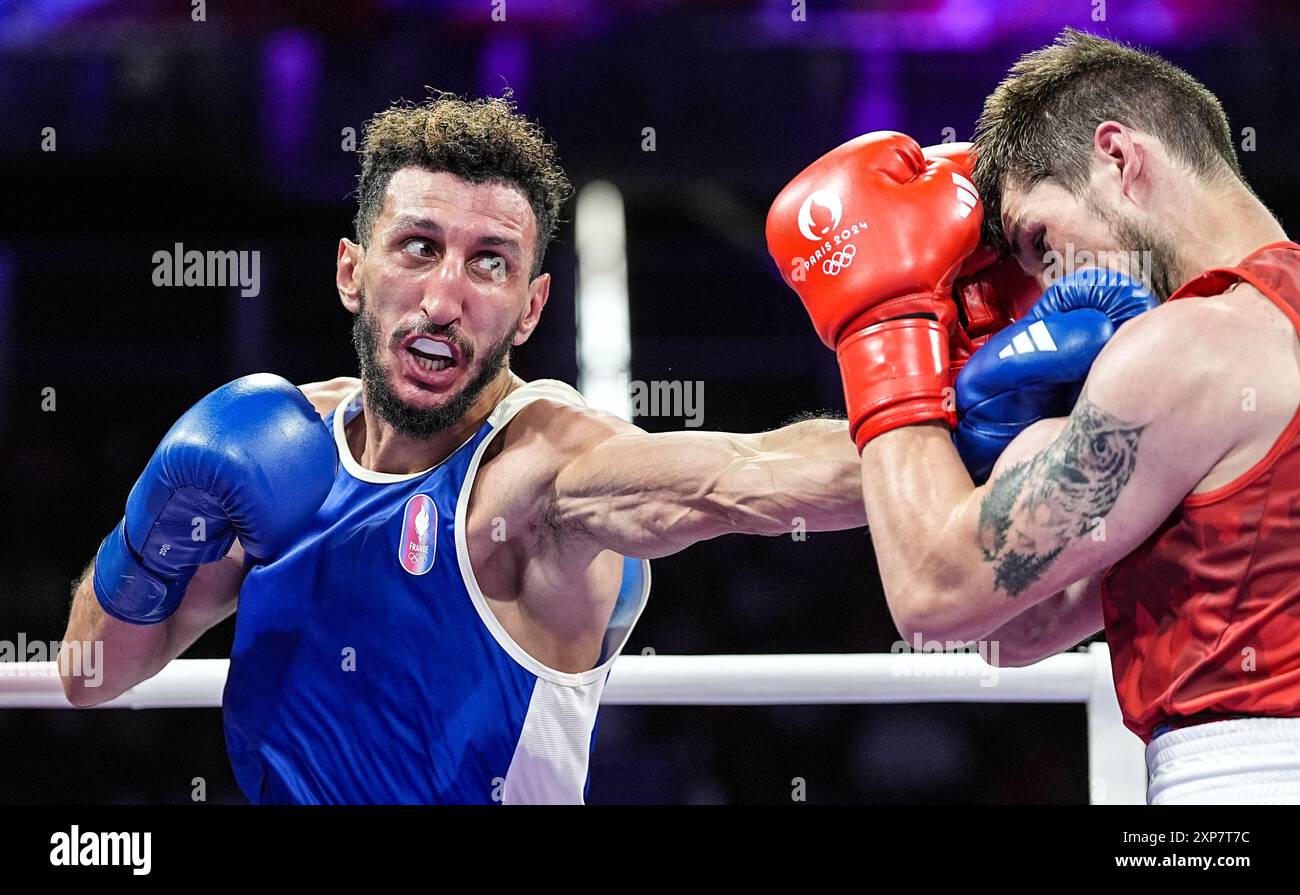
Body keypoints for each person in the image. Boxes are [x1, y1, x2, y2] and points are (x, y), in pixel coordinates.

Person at [61, 92, 871, 805]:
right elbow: (91, 675)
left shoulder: (541, 473)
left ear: (529, 308)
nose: (445, 299)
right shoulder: (281, 451)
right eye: (418, 246)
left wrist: (948, 425)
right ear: (352, 271)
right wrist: (153, 531)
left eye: (490, 263)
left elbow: (751, 475)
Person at [767, 29, 1300, 804]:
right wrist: (1030, 441)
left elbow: (933, 593)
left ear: (1118, 157)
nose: (1051, 289)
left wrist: (883, 326)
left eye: (1039, 241)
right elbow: (1020, 628)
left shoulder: (1193, 344)